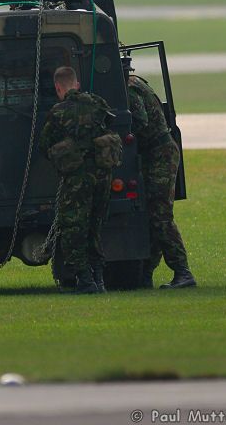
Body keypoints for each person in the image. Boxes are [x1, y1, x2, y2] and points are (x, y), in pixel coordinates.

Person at [39, 66, 122, 293]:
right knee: (95, 227)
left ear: (58, 88)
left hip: (76, 180)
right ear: (76, 84)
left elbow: (44, 145)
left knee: (73, 228)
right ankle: (99, 278)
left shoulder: (58, 113)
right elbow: (111, 127)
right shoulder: (98, 103)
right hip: (102, 177)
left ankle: (85, 280)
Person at [127, 74, 196, 290]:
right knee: (153, 215)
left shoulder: (129, 89)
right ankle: (145, 275)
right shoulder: (135, 82)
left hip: (159, 154)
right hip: (158, 152)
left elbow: (139, 121)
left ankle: (183, 272)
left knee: (160, 217)